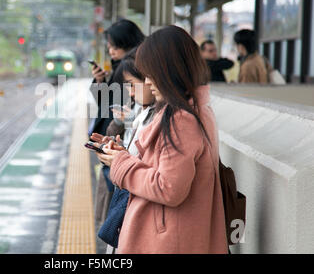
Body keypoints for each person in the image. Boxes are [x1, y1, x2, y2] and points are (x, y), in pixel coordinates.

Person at [95, 25, 228, 254]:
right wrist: (123, 155)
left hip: (165, 242)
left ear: (168, 70)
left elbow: (168, 188)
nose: (146, 82)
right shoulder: (194, 110)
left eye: (150, 73)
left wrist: (120, 163)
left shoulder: (180, 119)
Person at [91, 55, 156, 254]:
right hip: (131, 199)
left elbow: (163, 184)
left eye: (131, 84)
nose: (129, 91)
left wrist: (120, 159)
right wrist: (121, 153)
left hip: (138, 207)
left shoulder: (165, 119)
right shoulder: (146, 111)